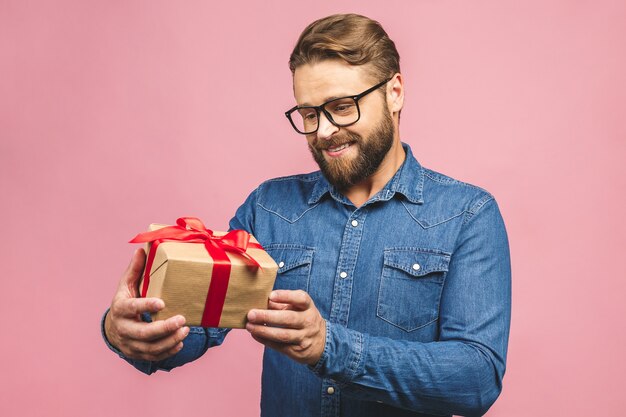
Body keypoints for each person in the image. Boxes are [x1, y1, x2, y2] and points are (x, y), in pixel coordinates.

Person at [102, 13, 511, 417]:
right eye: (310, 113)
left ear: (395, 92)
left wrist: (330, 347)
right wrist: (128, 329)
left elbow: (476, 380)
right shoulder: (268, 208)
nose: (323, 131)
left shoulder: (468, 215)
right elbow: (199, 325)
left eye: (341, 106)